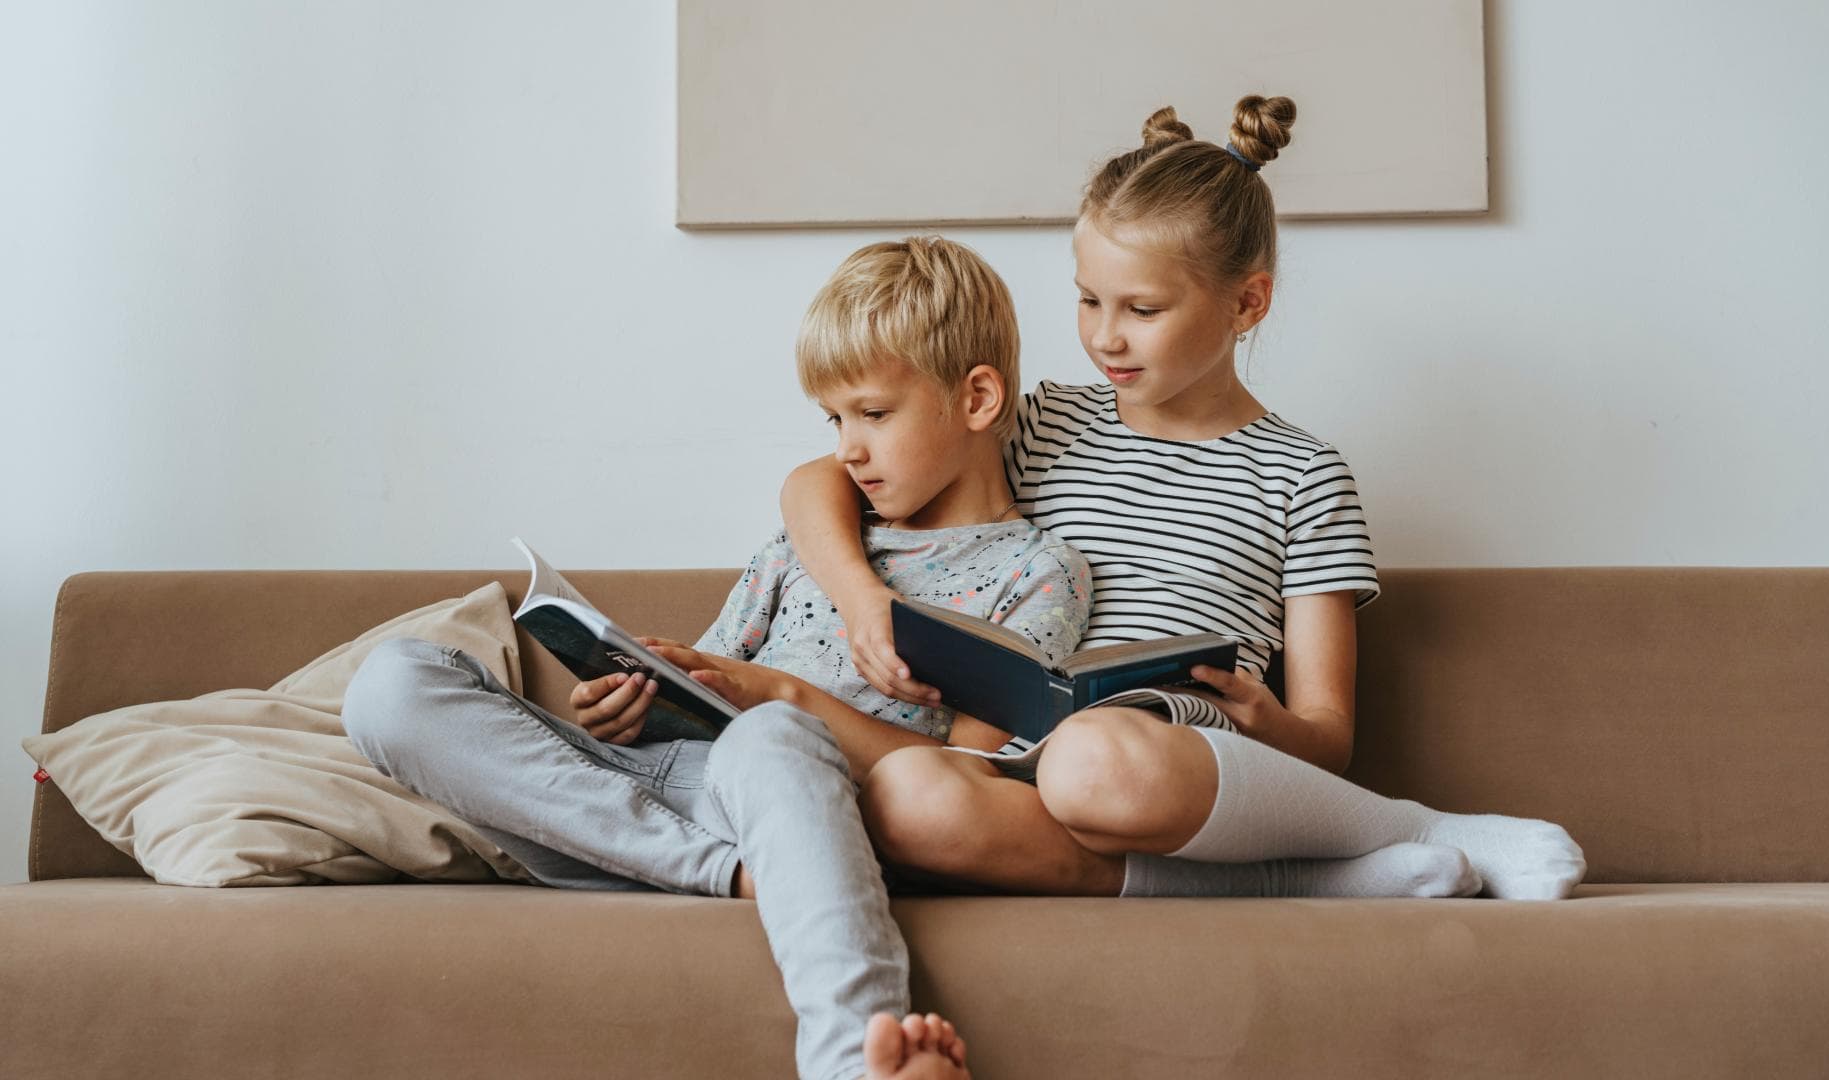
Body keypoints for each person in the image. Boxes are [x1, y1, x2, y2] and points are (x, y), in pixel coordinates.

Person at [780, 97, 1589, 904]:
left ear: (1247, 304)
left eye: (1143, 309)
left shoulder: (1301, 476)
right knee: (908, 796)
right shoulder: (1043, 423)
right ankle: (1301, 882)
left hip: (1180, 757)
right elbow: (815, 481)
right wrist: (864, 601)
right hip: (1020, 769)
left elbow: (1327, 735)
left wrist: (1262, 718)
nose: (1105, 336)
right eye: (1089, 299)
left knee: (1090, 759)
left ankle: (1417, 828)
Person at [342, 236, 1097, 1080]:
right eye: (834, 420)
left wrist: (784, 700)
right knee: (392, 684)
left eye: (874, 415)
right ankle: (736, 877)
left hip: (820, 809)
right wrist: (630, 701)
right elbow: (705, 675)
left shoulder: (1034, 575)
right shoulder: (809, 540)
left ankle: (857, 1061)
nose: (847, 447)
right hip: (647, 803)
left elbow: (967, 780)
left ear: (978, 398)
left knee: (771, 737)